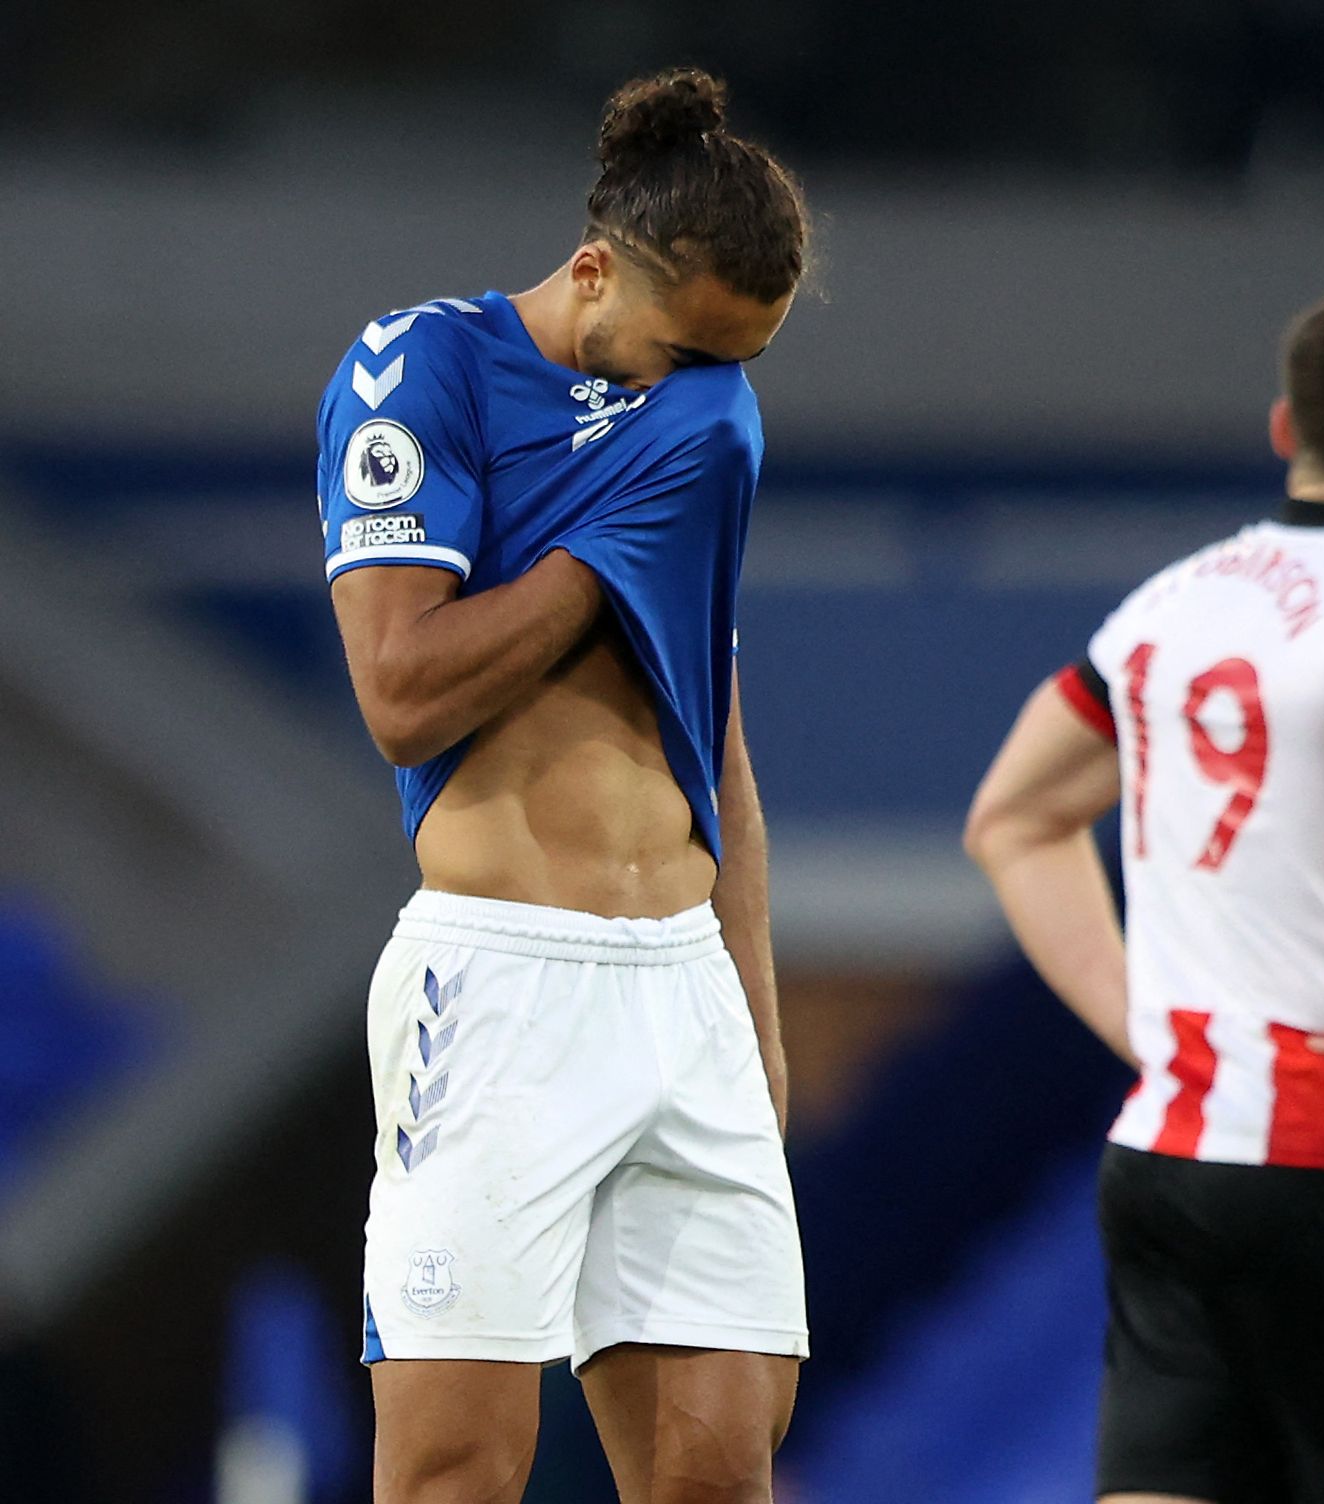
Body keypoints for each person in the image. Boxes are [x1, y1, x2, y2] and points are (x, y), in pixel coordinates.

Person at [317, 68, 809, 1504]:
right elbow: (402, 696)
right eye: (680, 351)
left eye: (740, 362)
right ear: (594, 273)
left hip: (685, 992)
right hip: (500, 990)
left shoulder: (704, 422)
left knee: (720, 1475)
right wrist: (607, 547)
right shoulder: (423, 375)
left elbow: (711, 726)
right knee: (456, 1474)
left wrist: (755, 1012)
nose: (700, 393)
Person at [965, 281, 1324, 1504]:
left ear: (1287, 429)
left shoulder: (1166, 605)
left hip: (1167, 1155)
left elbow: (1011, 819)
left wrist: (1152, 1027)